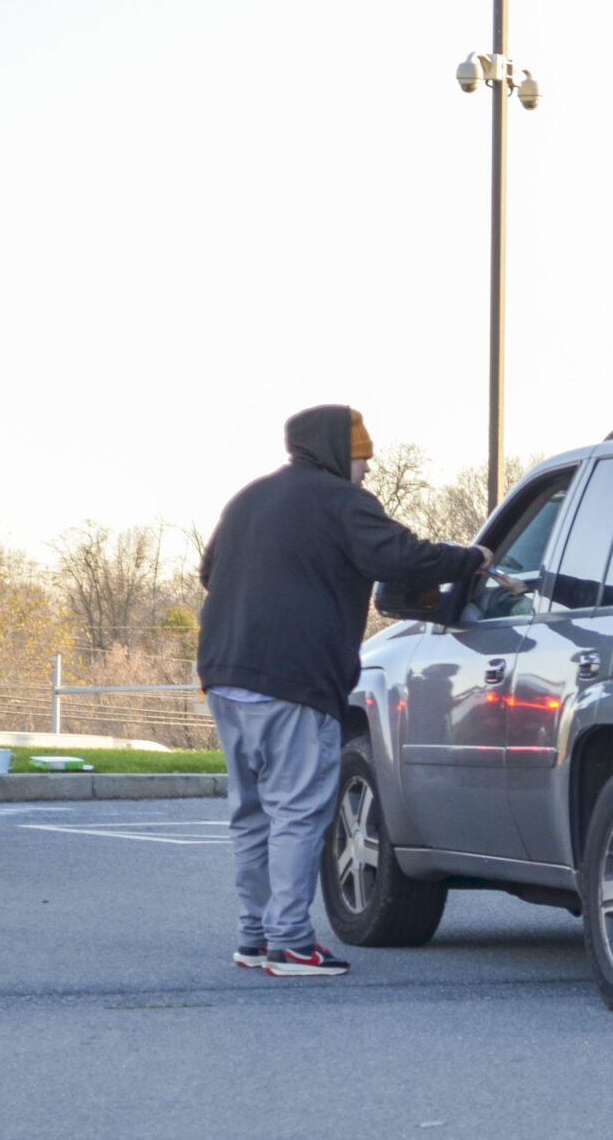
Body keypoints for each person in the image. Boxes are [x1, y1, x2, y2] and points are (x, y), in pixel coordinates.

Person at [197, 406, 491, 977]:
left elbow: (210, 572)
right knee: (300, 813)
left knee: (253, 813)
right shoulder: (342, 502)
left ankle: (254, 937)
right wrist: (471, 559)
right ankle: (290, 943)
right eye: (362, 456)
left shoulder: (248, 498)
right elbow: (399, 557)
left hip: (226, 678)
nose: (367, 469)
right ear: (336, 451)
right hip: (294, 680)